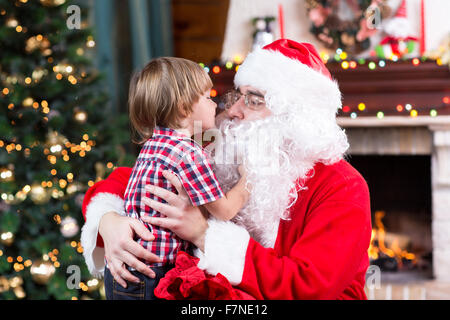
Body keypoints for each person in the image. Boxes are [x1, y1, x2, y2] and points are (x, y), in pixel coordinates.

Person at [81, 39, 372, 300]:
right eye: (238, 96)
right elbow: (129, 178)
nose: (233, 111)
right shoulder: (219, 144)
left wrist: (204, 235)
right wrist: (108, 220)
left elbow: (312, 287)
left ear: (294, 117)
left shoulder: (342, 186)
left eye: (254, 100)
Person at [102, 57, 250, 299]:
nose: (215, 105)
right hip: (152, 274)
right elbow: (224, 210)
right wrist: (248, 180)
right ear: (184, 108)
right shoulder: (189, 154)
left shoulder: (152, 144)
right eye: (207, 97)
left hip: (120, 271)